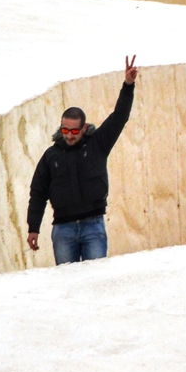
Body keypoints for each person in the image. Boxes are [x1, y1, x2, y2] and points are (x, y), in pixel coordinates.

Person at [26, 56, 137, 264]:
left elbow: (119, 116)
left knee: (95, 283)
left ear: (84, 128)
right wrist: (33, 228)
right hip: (63, 230)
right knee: (68, 286)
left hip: (92, 226)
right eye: (65, 129)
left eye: (74, 130)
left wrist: (128, 86)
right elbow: (38, 193)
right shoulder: (51, 156)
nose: (68, 135)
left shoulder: (98, 144)